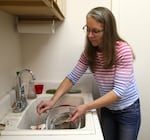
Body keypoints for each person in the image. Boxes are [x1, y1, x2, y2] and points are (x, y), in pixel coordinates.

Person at [37, 7, 141, 140]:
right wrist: (52, 101)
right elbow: (72, 77)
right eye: (88, 29)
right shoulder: (89, 52)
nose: (89, 35)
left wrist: (86, 106)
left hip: (128, 110)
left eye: (95, 31)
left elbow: (118, 92)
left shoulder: (122, 51)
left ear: (108, 31)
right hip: (107, 109)